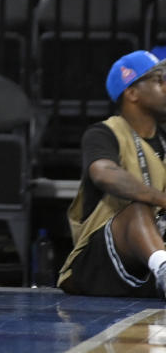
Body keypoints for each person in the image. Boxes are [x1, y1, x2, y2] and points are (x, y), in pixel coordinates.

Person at [59, 51, 166, 297]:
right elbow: (104, 173)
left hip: (146, 257)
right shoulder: (103, 133)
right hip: (98, 261)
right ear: (132, 93)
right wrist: (161, 199)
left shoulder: (163, 139)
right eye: (159, 80)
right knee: (138, 207)